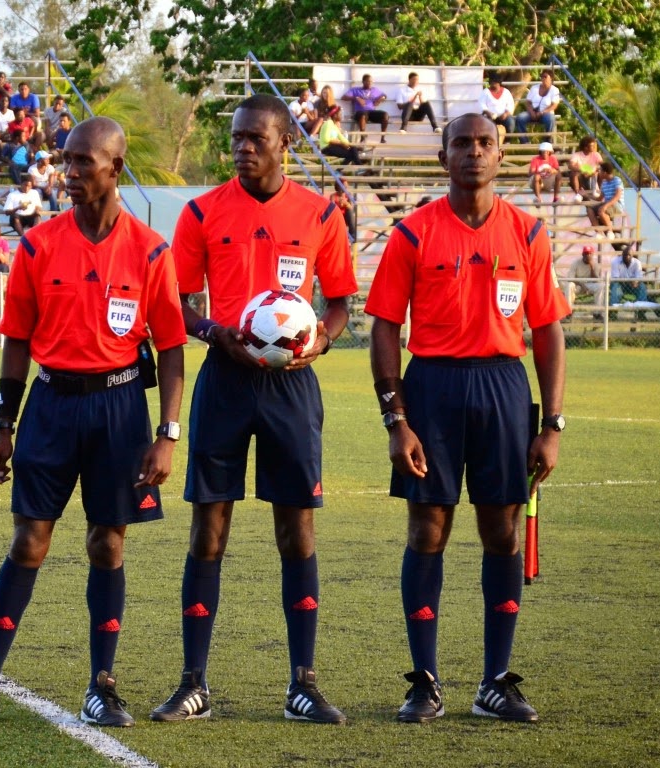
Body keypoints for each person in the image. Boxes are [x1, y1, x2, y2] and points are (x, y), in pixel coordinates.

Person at [0, 116, 187, 731]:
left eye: (85, 161)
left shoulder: (150, 250)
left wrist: (167, 435)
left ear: (115, 167)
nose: (72, 172)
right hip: (51, 405)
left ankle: (101, 684)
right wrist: (4, 427)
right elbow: (16, 343)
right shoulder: (37, 245)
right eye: (67, 160)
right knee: (29, 541)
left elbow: (170, 348)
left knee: (107, 543)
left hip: (119, 411)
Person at [151, 93, 355, 726]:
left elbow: (342, 304)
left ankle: (303, 683)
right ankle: (193, 683)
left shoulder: (322, 213)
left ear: (285, 143)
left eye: (256, 139)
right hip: (225, 380)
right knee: (208, 529)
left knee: (296, 531)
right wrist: (217, 334)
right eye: (237, 138)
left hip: (293, 387)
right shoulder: (203, 212)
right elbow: (178, 306)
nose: (243, 148)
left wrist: (319, 338)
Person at [364, 112, 569, 725]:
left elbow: (549, 331)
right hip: (431, 387)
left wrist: (552, 425)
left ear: (501, 155)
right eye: (462, 143)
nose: (473, 152)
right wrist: (395, 420)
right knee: (428, 528)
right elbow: (383, 329)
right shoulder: (412, 234)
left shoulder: (529, 234)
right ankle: (424, 681)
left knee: (502, 530)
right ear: (443, 157)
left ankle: (495, 681)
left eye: (485, 143)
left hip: (504, 389)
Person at [515, 69, 559, 144]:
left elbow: (554, 105)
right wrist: (531, 112)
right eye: (542, 76)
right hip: (533, 112)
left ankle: (547, 140)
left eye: (545, 77)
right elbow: (528, 102)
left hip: (545, 113)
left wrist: (542, 112)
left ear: (551, 78)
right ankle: (525, 141)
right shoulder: (534, 88)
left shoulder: (554, 90)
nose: (543, 78)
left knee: (551, 118)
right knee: (520, 117)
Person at [342, 74, 389, 138]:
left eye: (371, 81)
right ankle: (363, 137)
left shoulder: (375, 90)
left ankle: (383, 137)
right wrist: (356, 98)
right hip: (360, 112)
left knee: (385, 115)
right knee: (363, 115)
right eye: (368, 81)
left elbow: (385, 96)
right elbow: (344, 97)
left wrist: (380, 99)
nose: (370, 83)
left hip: (371, 112)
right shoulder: (355, 90)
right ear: (363, 82)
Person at [588, 162, 624, 242]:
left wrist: (606, 205)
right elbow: (599, 198)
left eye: (600, 171)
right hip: (607, 204)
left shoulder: (617, 180)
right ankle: (599, 232)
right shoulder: (604, 183)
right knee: (590, 209)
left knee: (602, 209)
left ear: (604, 172)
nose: (599, 173)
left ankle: (610, 231)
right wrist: (585, 195)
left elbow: (617, 196)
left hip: (617, 205)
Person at [479, 74, 516, 141]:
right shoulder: (485, 92)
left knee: (511, 122)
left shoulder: (506, 92)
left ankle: (507, 141)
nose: (492, 84)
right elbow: (481, 104)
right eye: (491, 82)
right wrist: (488, 112)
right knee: (485, 124)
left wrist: (506, 113)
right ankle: (488, 141)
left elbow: (510, 104)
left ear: (499, 83)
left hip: (503, 116)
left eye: (494, 82)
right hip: (489, 116)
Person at [568, 137, 603, 202]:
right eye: (592, 146)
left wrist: (595, 170)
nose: (594, 147)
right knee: (573, 173)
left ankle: (598, 191)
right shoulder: (577, 155)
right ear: (585, 147)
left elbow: (603, 165)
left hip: (593, 175)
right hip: (581, 177)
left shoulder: (596, 154)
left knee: (600, 172)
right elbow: (570, 166)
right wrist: (581, 170)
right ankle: (578, 193)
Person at [528, 142, 560, 206]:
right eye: (544, 151)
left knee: (559, 175)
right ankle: (538, 199)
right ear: (541, 152)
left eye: (547, 151)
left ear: (549, 152)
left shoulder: (553, 159)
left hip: (548, 180)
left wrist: (553, 170)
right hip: (536, 180)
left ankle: (555, 198)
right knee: (537, 176)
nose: (545, 153)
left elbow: (557, 170)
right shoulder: (535, 159)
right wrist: (541, 171)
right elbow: (531, 172)